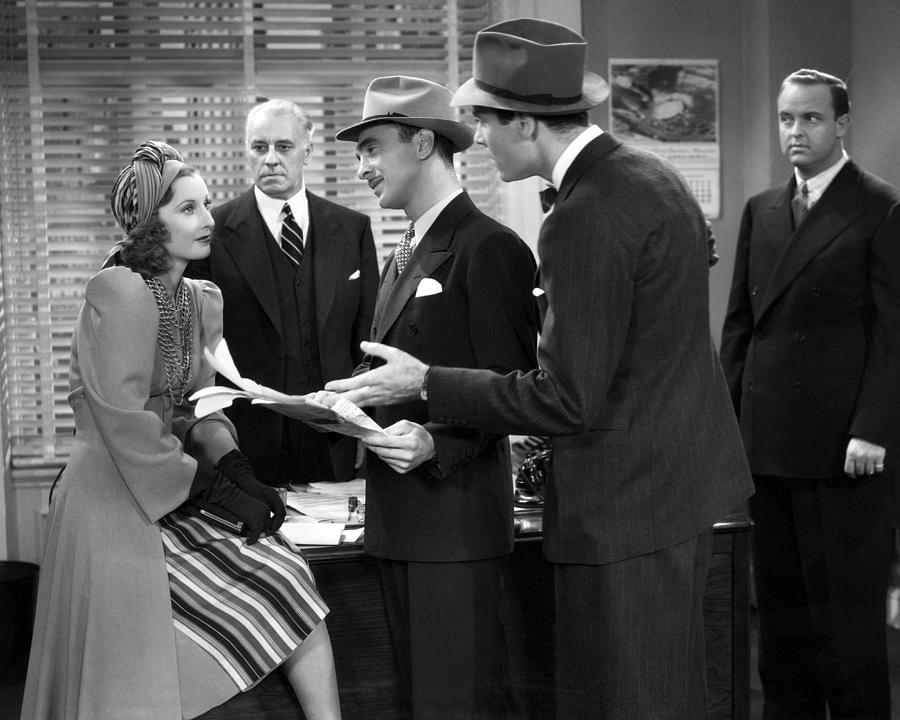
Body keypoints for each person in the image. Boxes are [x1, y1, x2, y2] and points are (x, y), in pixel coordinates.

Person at [325, 20, 753, 720]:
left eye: (486, 122)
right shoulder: (647, 175)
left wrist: (426, 381)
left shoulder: (584, 213)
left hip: (628, 505)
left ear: (525, 122)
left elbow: (566, 396)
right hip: (669, 491)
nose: (481, 144)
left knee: (632, 700)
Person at [20, 140, 341, 720]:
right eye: (188, 209)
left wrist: (238, 469)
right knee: (128, 679)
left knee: (289, 575)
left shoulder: (195, 298)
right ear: (149, 222)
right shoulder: (119, 291)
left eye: (207, 205)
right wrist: (217, 490)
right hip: (110, 500)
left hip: (171, 485)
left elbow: (197, 402)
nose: (208, 220)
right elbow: (126, 422)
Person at [332, 75, 538, 719]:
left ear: (423, 143)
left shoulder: (490, 248)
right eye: (359, 152)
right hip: (400, 519)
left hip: (454, 523)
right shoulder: (402, 249)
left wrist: (436, 441)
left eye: (373, 148)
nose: (363, 166)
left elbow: (515, 388)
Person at [720, 69, 900, 719]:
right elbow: (740, 329)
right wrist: (730, 435)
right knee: (782, 630)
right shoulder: (761, 209)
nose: (795, 132)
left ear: (841, 124)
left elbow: (895, 332)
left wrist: (874, 428)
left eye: (811, 119)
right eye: (786, 119)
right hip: (768, 447)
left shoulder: (880, 206)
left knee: (848, 633)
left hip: (845, 452)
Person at [187, 98, 379, 486]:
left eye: (283, 146)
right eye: (259, 147)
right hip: (246, 441)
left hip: (334, 437)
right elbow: (196, 345)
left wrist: (367, 425)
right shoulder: (213, 231)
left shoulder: (352, 229)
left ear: (307, 151)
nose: (270, 159)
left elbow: (368, 339)